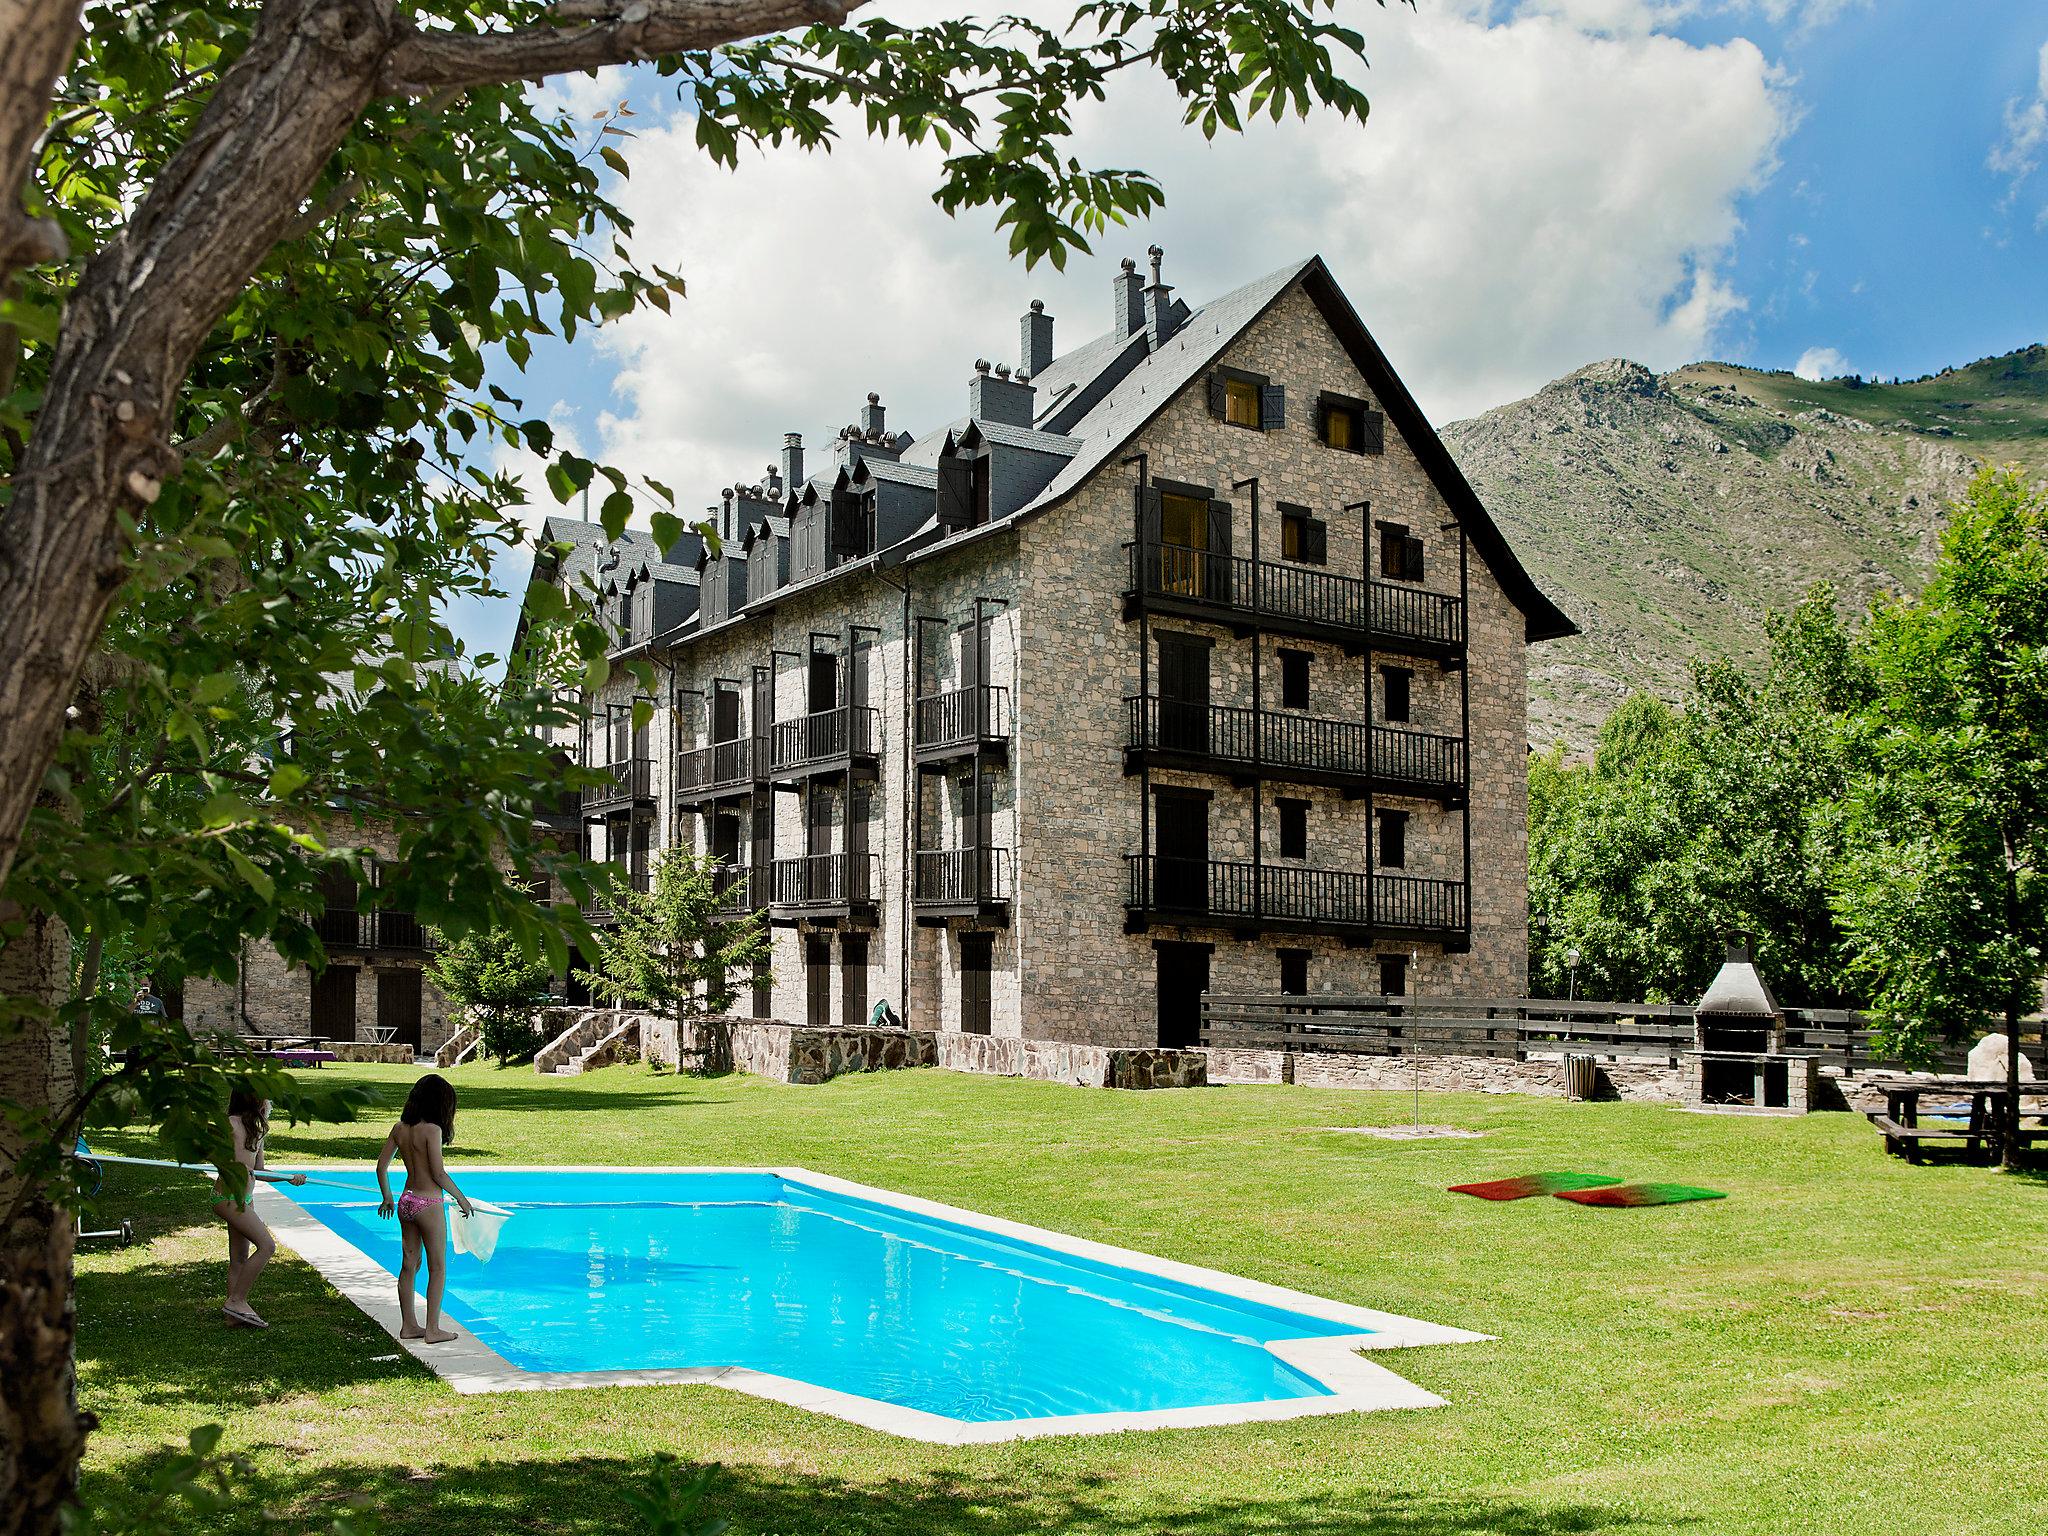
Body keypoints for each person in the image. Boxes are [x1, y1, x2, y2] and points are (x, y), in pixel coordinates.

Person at [376, 1073, 472, 1345]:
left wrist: (388, 1197)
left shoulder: (399, 1128)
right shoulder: (432, 1130)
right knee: (438, 1267)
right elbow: (438, 1174)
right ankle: (432, 1329)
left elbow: (381, 1167)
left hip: (406, 1201)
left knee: (409, 1264)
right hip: (428, 1203)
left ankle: (409, 1326)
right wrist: (461, 1199)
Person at [214, 1089, 306, 1329]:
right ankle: (237, 1300)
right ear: (252, 1099)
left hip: (245, 1197)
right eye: (264, 1097)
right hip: (227, 1197)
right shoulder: (230, 1124)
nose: (268, 1102)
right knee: (267, 1246)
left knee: (239, 1258)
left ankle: (233, 1316)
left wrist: (289, 1178)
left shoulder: (257, 1130)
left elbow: (261, 1170)